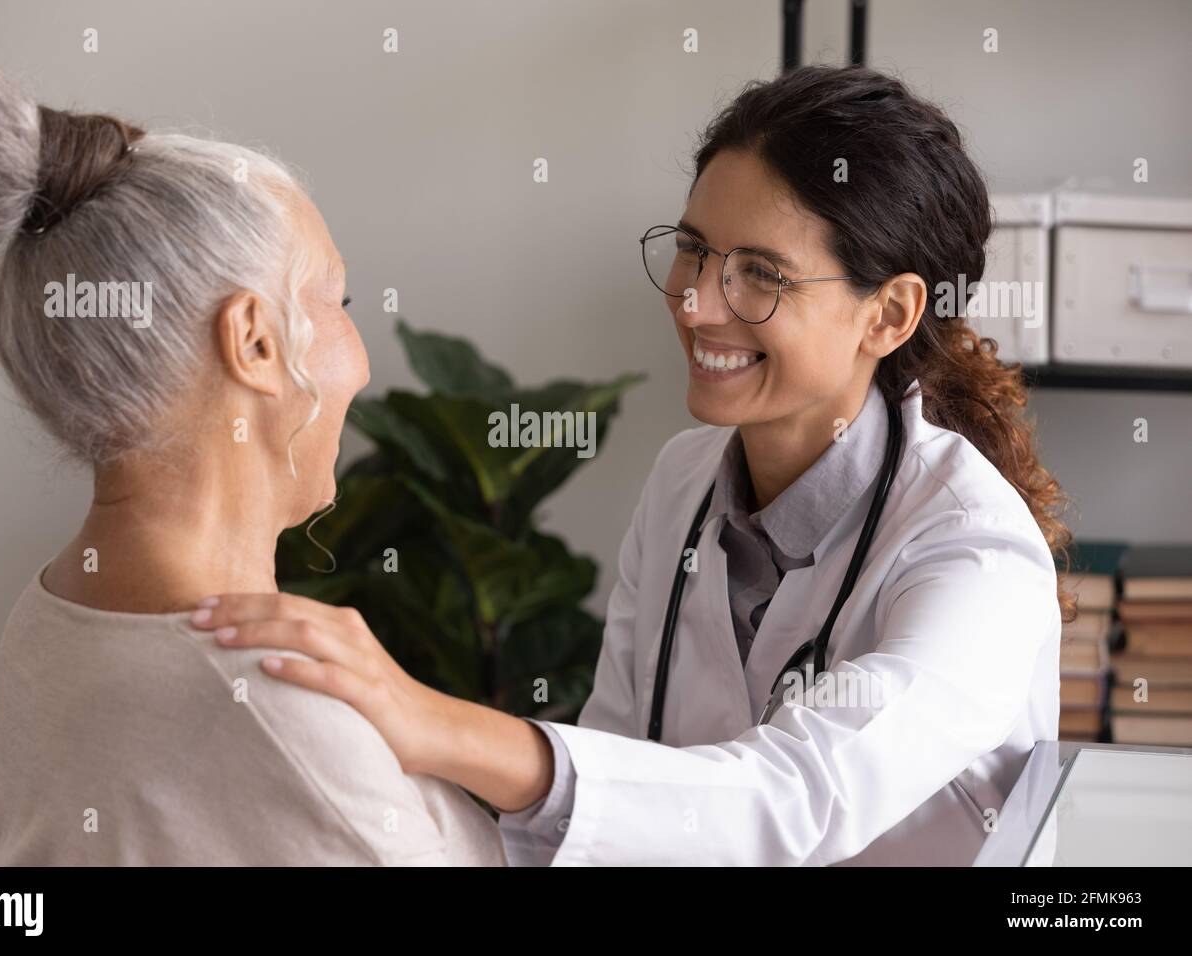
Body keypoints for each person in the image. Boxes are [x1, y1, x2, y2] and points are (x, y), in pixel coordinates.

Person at [195, 66, 1072, 866]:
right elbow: (616, 788)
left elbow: (796, 796)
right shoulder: (684, 483)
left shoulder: (973, 555)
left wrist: (437, 726)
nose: (694, 303)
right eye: (693, 250)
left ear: (888, 315)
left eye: (759, 275)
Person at [0, 61, 504, 866]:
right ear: (256, 343)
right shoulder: (277, 708)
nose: (362, 364)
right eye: (341, 302)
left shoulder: (51, 617)